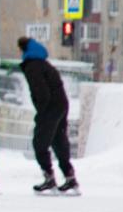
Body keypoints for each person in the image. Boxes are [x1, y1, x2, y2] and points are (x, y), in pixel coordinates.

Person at [16, 36, 80, 195]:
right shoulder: (45, 64)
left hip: (50, 107)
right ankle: (70, 177)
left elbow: (41, 92)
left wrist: (42, 113)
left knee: (40, 142)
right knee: (58, 140)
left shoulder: (33, 66)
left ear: (23, 50)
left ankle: (49, 178)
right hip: (61, 105)